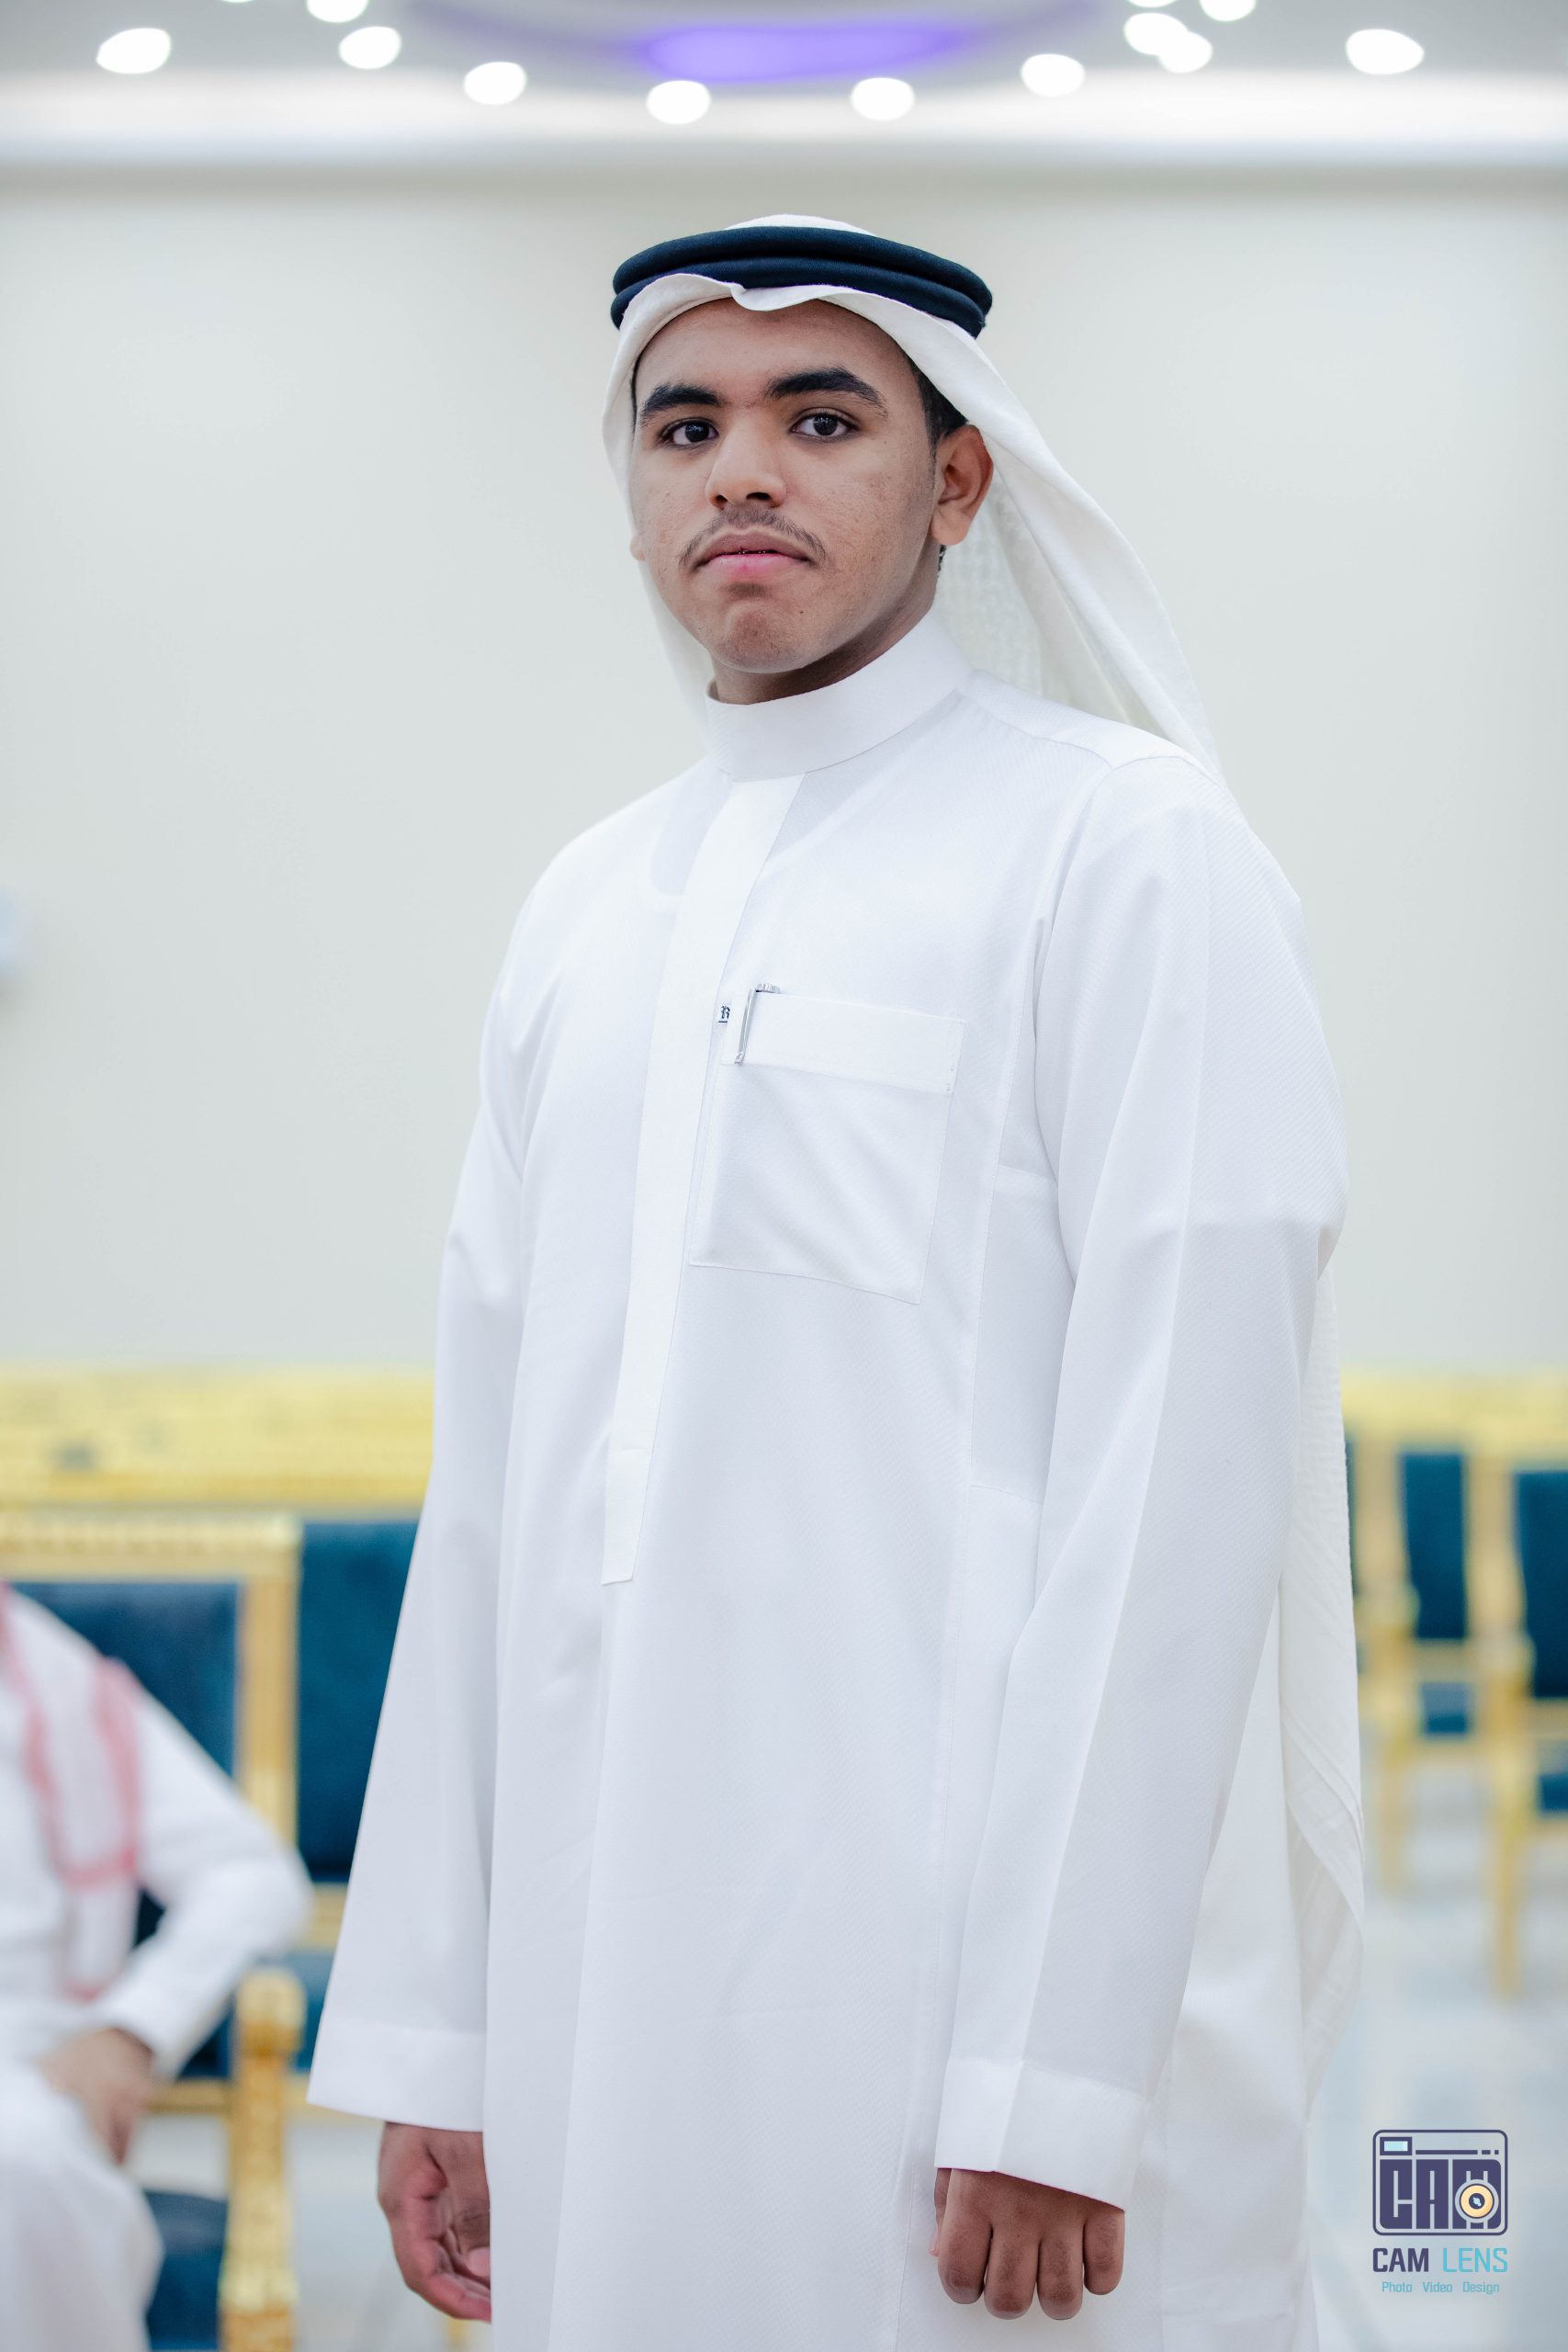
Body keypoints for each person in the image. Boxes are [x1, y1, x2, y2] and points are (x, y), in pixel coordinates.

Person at [308, 215, 1364, 2348]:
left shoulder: (1121, 846)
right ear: (629, 493)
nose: (739, 471)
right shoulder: (584, 906)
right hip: (600, 1973)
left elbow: (1175, 1487)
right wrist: (438, 2031)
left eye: (818, 418)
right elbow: (492, 1495)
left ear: (954, 480)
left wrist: (1053, 2067)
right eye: (682, 425)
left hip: (951, 1994)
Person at [0, 1580, 312, 2352]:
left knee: (20, 2163)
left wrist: (132, 2028)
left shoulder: (43, 1672)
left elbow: (251, 1875)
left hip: (20, 2061)